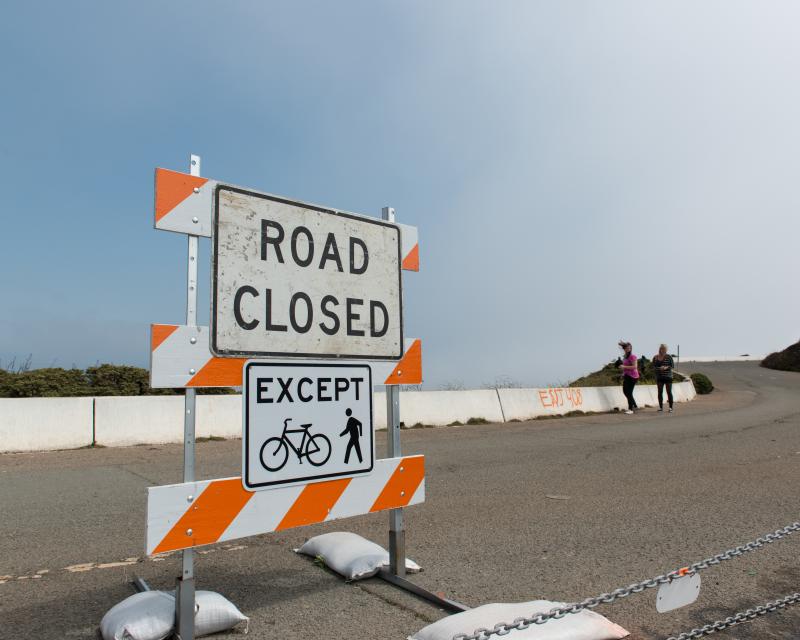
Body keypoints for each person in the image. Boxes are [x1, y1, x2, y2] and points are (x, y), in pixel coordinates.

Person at [617, 340, 639, 414]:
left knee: (629, 392)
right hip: (627, 376)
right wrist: (622, 374)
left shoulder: (633, 357)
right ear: (624, 349)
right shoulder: (625, 357)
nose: (628, 349)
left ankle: (631, 409)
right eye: (627, 348)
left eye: (629, 348)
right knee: (625, 391)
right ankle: (635, 405)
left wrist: (624, 366)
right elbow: (625, 368)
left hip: (633, 376)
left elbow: (635, 366)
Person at [652, 343, 675, 412]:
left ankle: (670, 408)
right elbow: (653, 367)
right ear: (660, 349)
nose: (663, 350)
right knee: (660, 392)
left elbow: (672, 366)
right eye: (662, 348)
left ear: (666, 350)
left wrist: (666, 367)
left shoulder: (669, 357)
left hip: (668, 376)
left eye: (664, 349)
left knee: (669, 392)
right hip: (659, 377)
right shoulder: (655, 357)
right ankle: (661, 407)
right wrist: (660, 368)